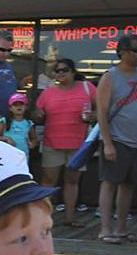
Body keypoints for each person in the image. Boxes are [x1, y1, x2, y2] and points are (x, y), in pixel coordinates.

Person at [95, 34, 137, 244]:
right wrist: (107, 142)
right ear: (123, 52)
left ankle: (121, 228)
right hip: (116, 139)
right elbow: (101, 111)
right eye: (136, 50)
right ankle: (105, 229)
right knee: (110, 183)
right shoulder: (110, 76)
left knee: (129, 185)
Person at [35, 58, 95, 226]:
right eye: (57, 70)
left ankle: (70, 217)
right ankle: (42, 219)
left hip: (78, 143)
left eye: (65, 70)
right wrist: (37, 113)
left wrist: (94, 116)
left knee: (72, 181)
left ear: (73, 72)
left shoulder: (87, 88)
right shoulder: (48, 92)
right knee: (48, 181)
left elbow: (102, 108)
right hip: (52, 142)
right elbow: (37, 111)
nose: (60, 73)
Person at [0, 92, 37, 157]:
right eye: (15, 105)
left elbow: (34, 138)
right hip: (6, 155)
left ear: (26, 107)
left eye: (21, 104)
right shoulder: (4, 121)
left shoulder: (29, 123)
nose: (19, 106)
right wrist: (6, 138)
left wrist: (32, 144)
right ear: (10, 108)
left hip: (23, 155)